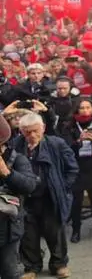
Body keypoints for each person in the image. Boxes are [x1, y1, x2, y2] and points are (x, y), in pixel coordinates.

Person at [13, 112, 78, 279]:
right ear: (21, 131)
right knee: (28, 234)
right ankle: (31, 266)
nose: (32, 135)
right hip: (27, 198)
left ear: (43, 128)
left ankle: (59, 264)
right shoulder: (17, 145)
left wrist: (63, 187)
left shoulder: (56, 144)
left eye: (35, 131)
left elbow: (72, 168)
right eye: (27, 132)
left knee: (55, 232)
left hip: (51, 196)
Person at [58, 98, 92, 243]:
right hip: (77, 167)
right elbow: (66, 148)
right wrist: (78, 141)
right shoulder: (69, 126)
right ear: (76, 110)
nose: (85, 110)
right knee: (76, 201)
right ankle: (76, 230)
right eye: (82, 108)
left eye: (88, 107)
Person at [0, 113, 38, 279]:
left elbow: (29, 185)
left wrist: (7, 173)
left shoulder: (17, 159)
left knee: (10, 272)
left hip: (8, 229)